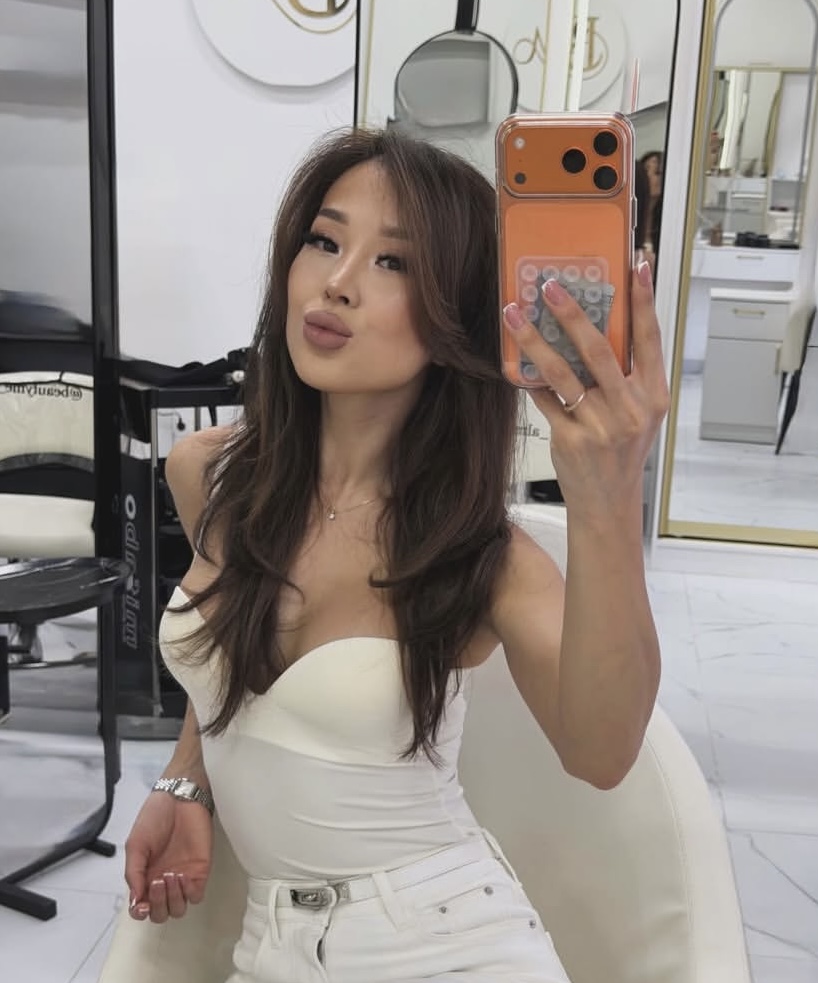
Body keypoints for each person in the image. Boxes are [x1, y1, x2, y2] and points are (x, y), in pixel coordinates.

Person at [121, 127, 669, 983]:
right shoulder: (213, 476)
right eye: (324, 241)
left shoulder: (479, 553)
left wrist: (608, 496)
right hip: (270, 946)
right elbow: (232, 643)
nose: (337, 282)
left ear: (457, 315)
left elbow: (603, 751)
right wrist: (187, 779)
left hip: (446, 941)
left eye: (393, 263)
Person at [637, 150, 664, 276]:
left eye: (657, 173)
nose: (649, 176)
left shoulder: (668, 219)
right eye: (646, 170)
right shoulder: (628, 214)